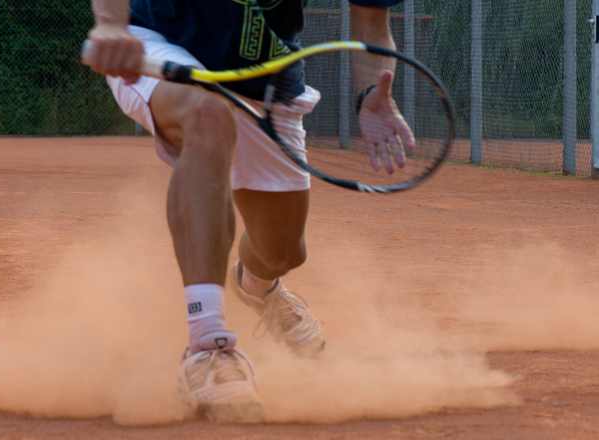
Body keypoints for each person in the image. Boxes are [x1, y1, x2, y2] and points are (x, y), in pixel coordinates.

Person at [83, 0, 410, 423]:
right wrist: (111, 26)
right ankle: (207, 348)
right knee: (207, 115)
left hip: (266, 77)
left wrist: (371, 95)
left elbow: (370, 22)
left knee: (284, 251)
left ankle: (260, 286)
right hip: (158, 42)